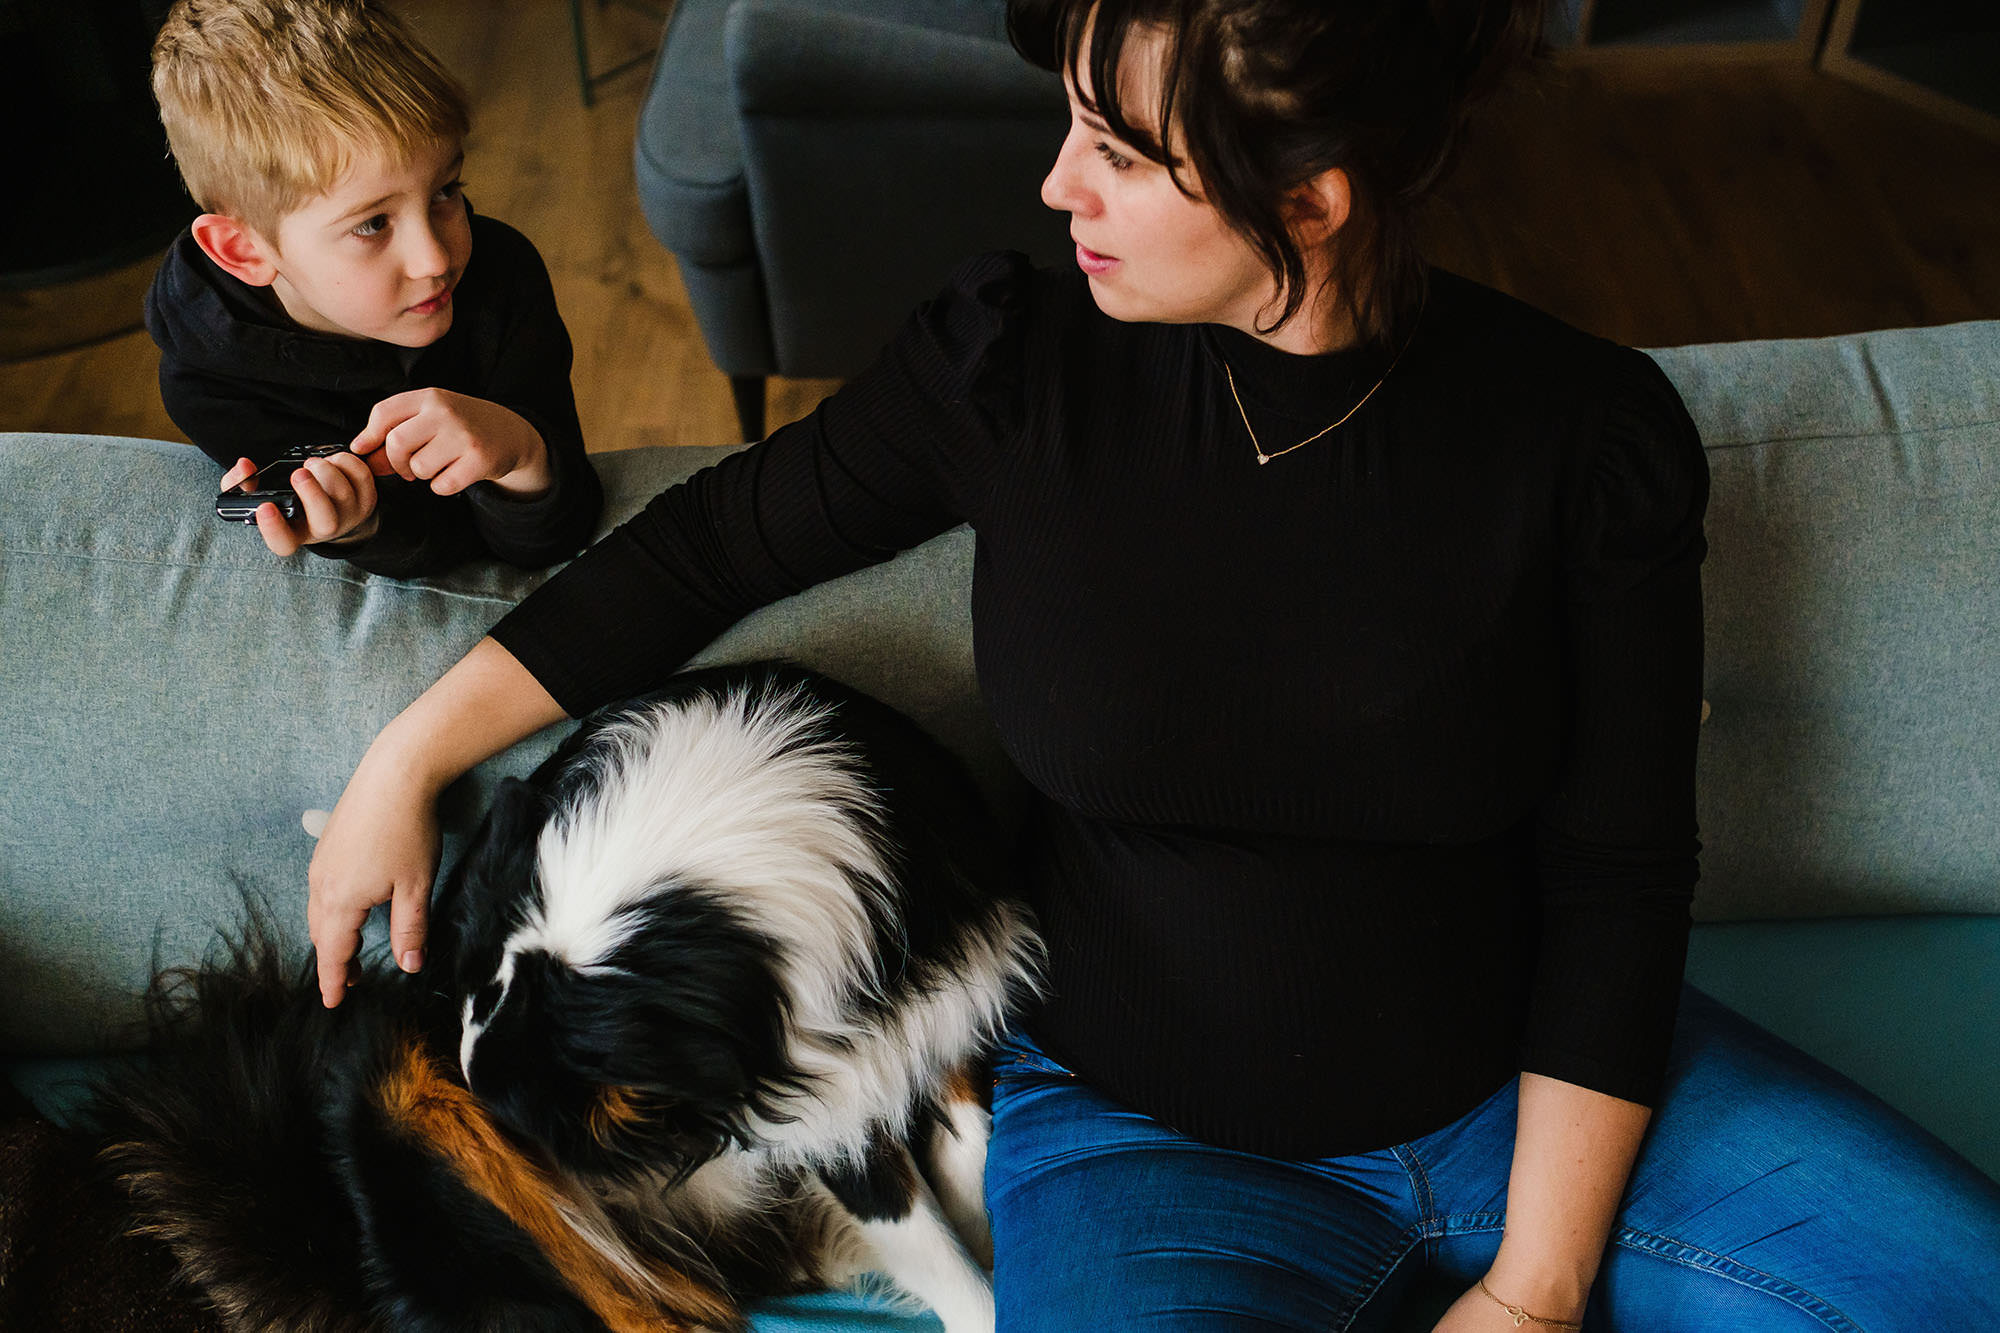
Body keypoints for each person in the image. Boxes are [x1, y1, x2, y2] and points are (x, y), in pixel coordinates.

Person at [307, 0, 2000, 1327]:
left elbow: (1623, 870)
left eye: (1121, 154)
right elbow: (706, 548)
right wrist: (406, 759)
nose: (1057, 184)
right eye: (1069, 119)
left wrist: (1536, 1284)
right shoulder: (1012, 361)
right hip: (1143, 1136)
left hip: (1541, 1098)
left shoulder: (1587, 439)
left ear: (1310, 199)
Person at [144, 0, 601, 578]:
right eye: (372, 224)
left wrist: (522, 452)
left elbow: (561, 532)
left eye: (445, 190)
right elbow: (438, 550)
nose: (435, 258)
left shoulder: (501, 275)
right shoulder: (209, 381)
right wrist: (362, 528)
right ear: (245, 250)